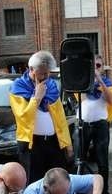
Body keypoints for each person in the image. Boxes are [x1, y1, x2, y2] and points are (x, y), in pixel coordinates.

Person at [9, 51, 73, 183]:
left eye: (48, 72)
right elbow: (23, 117)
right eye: (43, 73)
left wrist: (67, 143)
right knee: (34, 181)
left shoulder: (51, 85)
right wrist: (37, 98)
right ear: (31, 69)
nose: (46, 76)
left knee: (57, 180)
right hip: (31, 144)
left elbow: (60, 117)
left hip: (53, 142)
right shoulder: (18, 86)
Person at [75, 55, 112, 194]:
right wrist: (89, 81)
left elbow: (111, 100)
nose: (95, 68)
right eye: (92, 66)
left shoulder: (107, 83)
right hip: (83, 124)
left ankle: (103, 192)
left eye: (98, 66)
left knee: (102, 160)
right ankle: (82, 191)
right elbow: (81, 97)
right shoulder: (82, 82)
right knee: (80, 159)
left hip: (100, 125)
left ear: (102, 68)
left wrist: (100, 81)